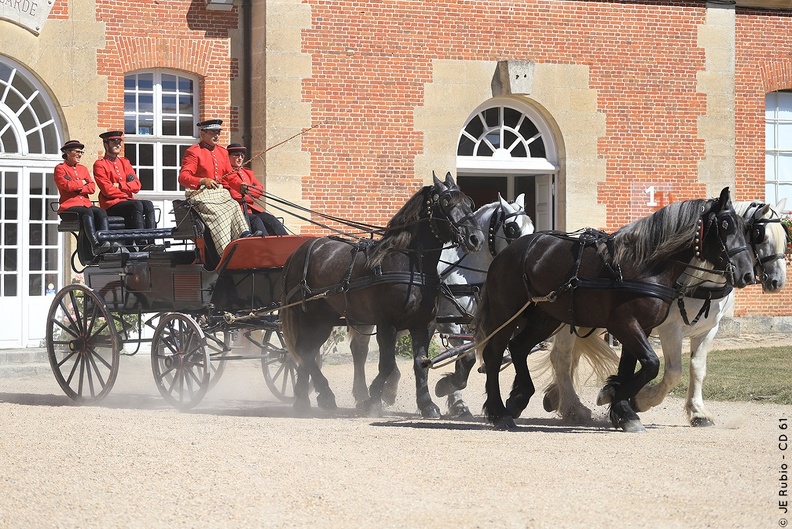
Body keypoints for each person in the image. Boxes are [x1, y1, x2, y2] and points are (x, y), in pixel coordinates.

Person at [178, 119, 256, 257]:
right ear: (202, 133)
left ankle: (245, 236)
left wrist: (240, 185)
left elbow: (229, 176)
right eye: (212, 132)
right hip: (199, 194)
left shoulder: (222, 152)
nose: (217, 136)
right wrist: (202, 180)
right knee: (220, 214)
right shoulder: (194, 152)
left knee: (233, 205)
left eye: (218, 132)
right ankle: (225, 251)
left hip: (219, 193)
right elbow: (183, 177)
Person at [93, 130, 159, 249]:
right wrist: (126, 189)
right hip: (111, 205)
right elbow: (107, 190)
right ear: (106, 144)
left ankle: (151, 241)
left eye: (119, 142)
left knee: (148, 204)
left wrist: (119, 185)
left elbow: (137, 186)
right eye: (114, 142)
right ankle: (141, 242)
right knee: (137, 205)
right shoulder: (100, 164)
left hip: (127, 202)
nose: (118, 145)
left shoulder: (125, 162)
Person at [53, 140, 112, 254]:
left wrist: (78, 184)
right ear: (68, 152)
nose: (80, 155)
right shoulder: (60, 168)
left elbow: (92, 187)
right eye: (77, 152)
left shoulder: (83, 169)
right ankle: (94, 245)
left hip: (86, 204)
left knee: (101, 212)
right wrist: (82, 182)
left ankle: (105, 242)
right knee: (87, 213)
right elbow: (67, 186)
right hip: (69, 207)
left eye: (81, 152)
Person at [225, 143, 288, 236]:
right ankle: (267, 246)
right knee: (256, 221)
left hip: (251, 209)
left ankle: (288, 243)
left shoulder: (247, 172)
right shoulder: (225, 174)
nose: (240, 158)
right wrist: (251, 196)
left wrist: (247, 194)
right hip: (237, 211)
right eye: (236, 155)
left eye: (242, 155)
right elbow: (233, 195)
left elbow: (259, 189)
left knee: (272, 220)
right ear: (228, 156)